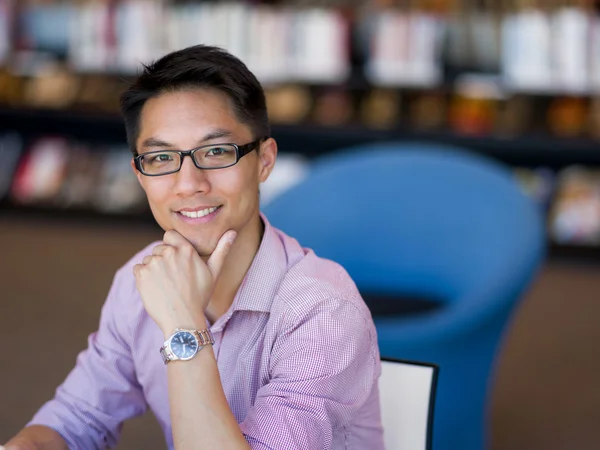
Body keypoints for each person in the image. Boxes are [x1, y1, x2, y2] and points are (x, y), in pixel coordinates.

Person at [4, 45, 384, 450]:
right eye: (162, 157)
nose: (188, 183)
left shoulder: (322, 311)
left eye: (216, 151)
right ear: (139, 174)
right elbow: (74, 420)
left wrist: (185, 328)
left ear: (264, 161)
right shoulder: (142, 281)